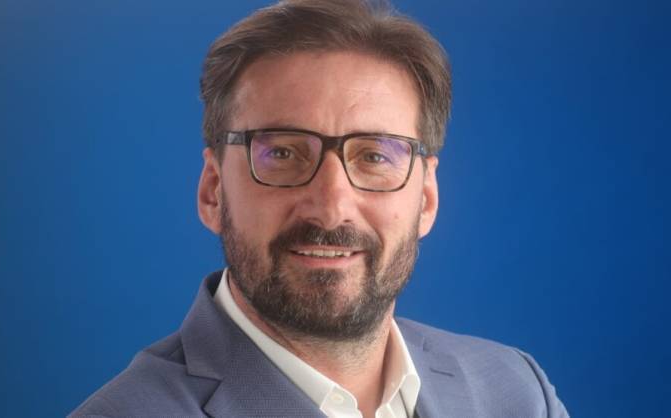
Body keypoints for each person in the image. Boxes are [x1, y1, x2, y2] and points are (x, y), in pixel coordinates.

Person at [70, 0, 568, 417]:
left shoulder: (516, 392)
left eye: (375, 156)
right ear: (213, 191)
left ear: (427, 198)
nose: (331, 208)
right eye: (283, 154)